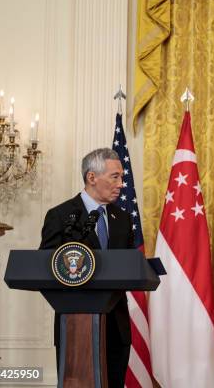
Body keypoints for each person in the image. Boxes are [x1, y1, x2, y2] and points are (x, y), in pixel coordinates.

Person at [39, 148, 133, 388]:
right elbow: (45, 268)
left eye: (121, 177)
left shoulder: (122, 218)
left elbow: (129, 266)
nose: (121, 184)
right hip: (75, 327)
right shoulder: (60, 216)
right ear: (92, 178)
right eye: (115, 177)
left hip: (116, 328)